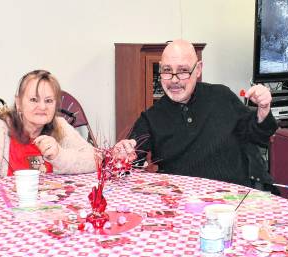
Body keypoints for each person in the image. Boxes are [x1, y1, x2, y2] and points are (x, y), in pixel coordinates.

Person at [114, 39, 277, 191]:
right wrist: (123, 154)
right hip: (185, 206)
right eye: (167, 71)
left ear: (198, 69)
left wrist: (263, 110)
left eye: (183, 71)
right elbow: (128, 160)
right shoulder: (151, 118)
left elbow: (258, 136)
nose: (174, 80)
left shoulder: (222, 96)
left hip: (235, 197)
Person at [0, 70, 97, 188]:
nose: (42, 107)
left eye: (49, 101)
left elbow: (96, 160)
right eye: (34, 99)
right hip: (5, 217)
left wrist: (59, 156)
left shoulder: (60, 126)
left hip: (51, 214)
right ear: (19, 103)